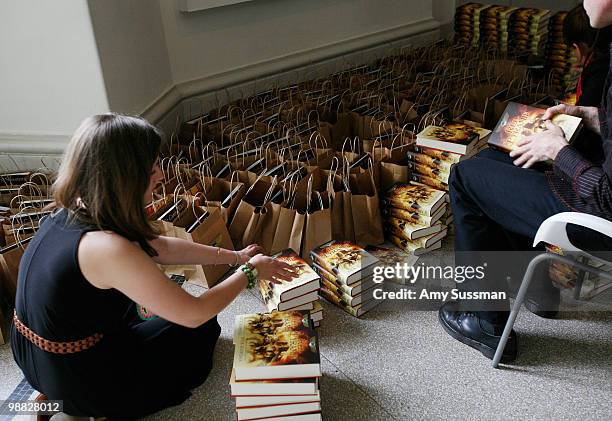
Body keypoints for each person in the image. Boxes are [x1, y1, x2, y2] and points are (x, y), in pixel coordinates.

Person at [10, 113, 296, 419]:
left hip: (33, 356)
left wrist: (235, 256)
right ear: (126, 176)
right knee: (200, 329)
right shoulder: (108, 248)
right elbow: (194, 313)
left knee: (157, 308)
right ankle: (82, 408)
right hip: (78, 375)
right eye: (153, 168)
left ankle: (57, 399)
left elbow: (160, 247)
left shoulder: (74, 209)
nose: (160, 175)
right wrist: (250, 272)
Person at [438, 0, 612, 363]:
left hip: (600, 219)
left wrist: (559, 150)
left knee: (466, 177)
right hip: (599, 191)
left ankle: (483, 319)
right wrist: (590, 116)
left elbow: (607, 196)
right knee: (496, 157)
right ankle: (538, 288)